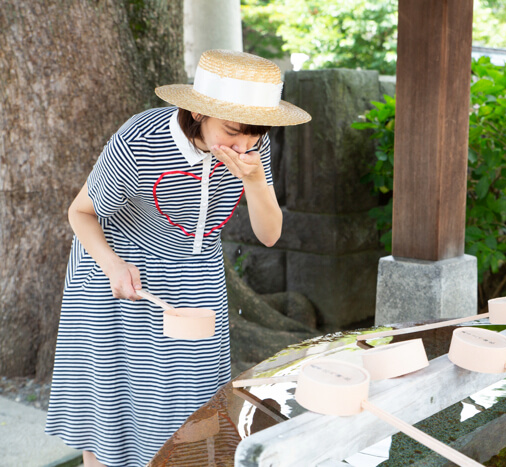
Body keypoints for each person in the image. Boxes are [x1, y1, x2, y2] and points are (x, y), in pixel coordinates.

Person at [45, 49, 311, 467]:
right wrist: (114, 266)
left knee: (195, 403)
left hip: (195, 278)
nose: (242, 146)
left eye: (254, 137)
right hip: (120, 274)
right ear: (198, 112)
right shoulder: (140, 140)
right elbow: (80, 213)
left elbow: (269, 233)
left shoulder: (250, 150)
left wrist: (257, 181)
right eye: (233, 131)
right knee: (113, 404)